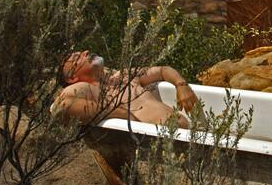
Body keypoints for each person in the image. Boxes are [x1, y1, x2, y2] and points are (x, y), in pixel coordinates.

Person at [54, 51, 198, 128]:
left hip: (185, 133)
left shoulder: (124, 76)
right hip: (155, 144)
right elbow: (62, 105)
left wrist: (181, 85)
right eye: (77, 58)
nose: (85, 52)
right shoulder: (87, 88)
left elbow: (163, 70)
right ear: (72, 78)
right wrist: (128, 118)